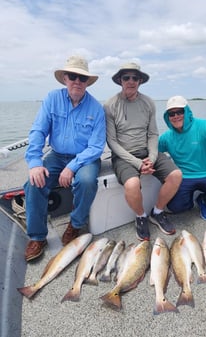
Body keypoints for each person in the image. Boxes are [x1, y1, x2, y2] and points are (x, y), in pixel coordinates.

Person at [23, 55, 106, 261]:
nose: (77, 81)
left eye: (82, 78)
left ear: (87, 82)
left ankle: (75, 224)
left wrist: (72, 166)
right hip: (57, 156)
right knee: (33, 183)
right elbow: (37, 132)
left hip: (85, 158)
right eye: (72, 76)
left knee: (86, 181)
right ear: (65, 79)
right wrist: (34, 163)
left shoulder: (96, 108)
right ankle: (37, 236)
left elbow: (96, 146)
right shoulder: (52, 99)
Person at [104, 63, 182, 241]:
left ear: (140, 81)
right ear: (120, 81)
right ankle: (140, 216)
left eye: (135, 78)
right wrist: (139, 164)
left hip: (148, 153)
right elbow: (112, 142)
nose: (131, 81)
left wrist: (152, 158)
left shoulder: (148, 103)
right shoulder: (110, 105)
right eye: (126, 78)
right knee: (131, 184)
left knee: (176, 175)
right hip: (124, 156)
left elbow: (153, 133)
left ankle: (158, 211)